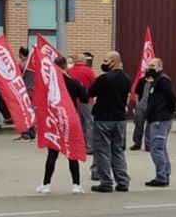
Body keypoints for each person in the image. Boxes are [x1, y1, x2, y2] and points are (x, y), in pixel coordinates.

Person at [38, 55, 88, 195]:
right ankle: (76, 184)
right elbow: (85, 98)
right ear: (66, 66)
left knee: (52, 154)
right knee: (72, 153)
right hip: (69, 119)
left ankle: (46, 184)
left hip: (54, 120)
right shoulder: (74, 82)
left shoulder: (49, 84)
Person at [88, 51, 132, 193]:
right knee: (118, 151)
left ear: (113, 61)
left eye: (106, 60)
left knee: (102, 151)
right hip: (119, 119)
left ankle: (106, 182)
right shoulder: (127, 78)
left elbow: (90, 93)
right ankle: (123, 181)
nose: (104, 63)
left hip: (103, 119)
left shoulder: (104, 79)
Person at [139, 58, 176, 187]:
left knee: (156, 149)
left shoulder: (163, 80)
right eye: (149, 65)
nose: (150, 68)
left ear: (160, 67)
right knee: (161, 148)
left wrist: (166, 111)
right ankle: (165, 173)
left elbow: (171, 98)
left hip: (160, 119)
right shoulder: (154, 81)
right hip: (156, 118)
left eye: (153, 66)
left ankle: (161, 176)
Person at [69, 51, 98, 176]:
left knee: (79, 123)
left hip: (74, 101)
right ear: (84, 61)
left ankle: (79, 144)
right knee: (89, 122)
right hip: (87, 100)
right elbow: (94, 84)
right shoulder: (88, 71)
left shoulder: (70, 71)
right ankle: (89, 146)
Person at [17, 45, 36, 140]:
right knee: (30, 111)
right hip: (32, 90)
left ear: (20, 54)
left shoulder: (21, 65)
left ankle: (26, 132)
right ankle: (32, 132)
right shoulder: (32, 64)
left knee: (24, 111)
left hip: (24, 90)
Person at [130, 67, 151, 151]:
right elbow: (137, 93)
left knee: (149, 127)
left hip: (151, 107)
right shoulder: (142, 81)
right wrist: (137, 105)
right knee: (138, 126)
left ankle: (148, 144)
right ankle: (137, 143)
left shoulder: (156, 82)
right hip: (140, 106)